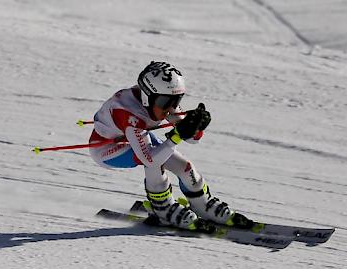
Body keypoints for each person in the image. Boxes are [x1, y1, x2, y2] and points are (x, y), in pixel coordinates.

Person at [89, 61, 252, 231]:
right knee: (155, 162)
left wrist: (196, 127)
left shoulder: (162, 100)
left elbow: (192, 139)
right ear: (147, 96)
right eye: (166, 101)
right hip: (106, 150)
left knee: (186, 167)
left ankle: (201, 204)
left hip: (135, 137)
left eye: (177, 100)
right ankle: (163, 208)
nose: (171, 108)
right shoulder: (129, 113)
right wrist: (176, 136)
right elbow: (150, 159)